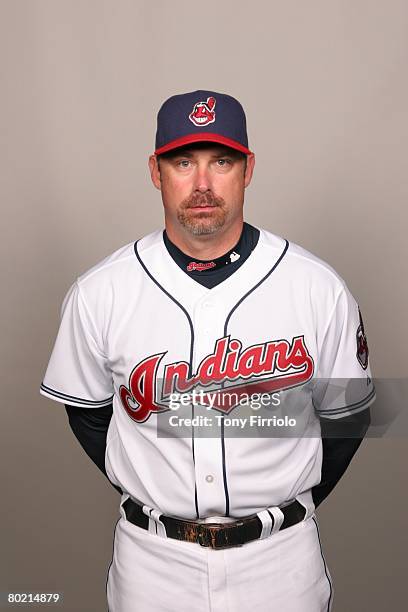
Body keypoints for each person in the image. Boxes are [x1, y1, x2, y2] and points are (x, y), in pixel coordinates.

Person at [40, 90, 375, 612]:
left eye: (221, 161)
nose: (202, 184)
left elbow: (346, 420)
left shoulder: (315, 286)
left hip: (281, 564)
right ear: (156, 171)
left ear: (248, 169)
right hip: (152, 565)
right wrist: (153, 485)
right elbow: (88, 417)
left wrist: (280, 502)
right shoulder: (102, 291)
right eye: (182, 162)